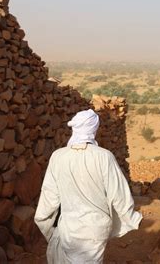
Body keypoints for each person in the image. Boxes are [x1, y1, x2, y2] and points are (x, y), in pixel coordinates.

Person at [34, 109, 142, 263]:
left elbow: (49, 196)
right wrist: (132, 217)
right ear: (94, 129)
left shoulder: (58, 157)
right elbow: (118, 194)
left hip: (68, 229)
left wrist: (44, 224)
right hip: (95, 229)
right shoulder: (104, 157)